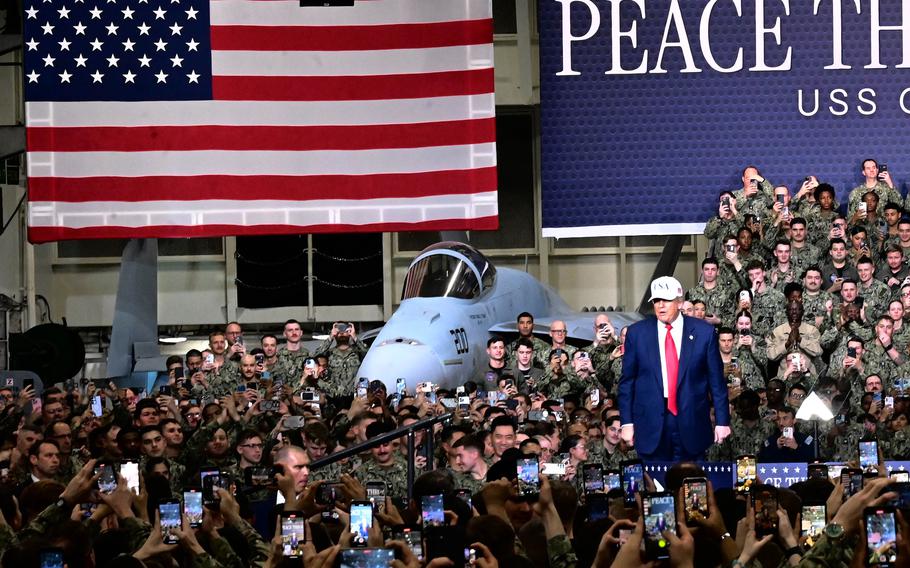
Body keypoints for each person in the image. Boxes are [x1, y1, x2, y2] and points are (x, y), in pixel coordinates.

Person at [618, 276, 731, 462]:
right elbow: (627, 382)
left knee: (693, 487)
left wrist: (722, 421)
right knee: (654, 488)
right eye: (656, 301)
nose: (660, 306)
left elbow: (716, 382)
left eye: (666, 300)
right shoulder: (637, 333)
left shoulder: (703, 332)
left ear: (680, 302)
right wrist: (627, 422)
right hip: (650, 424)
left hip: (692, 422)